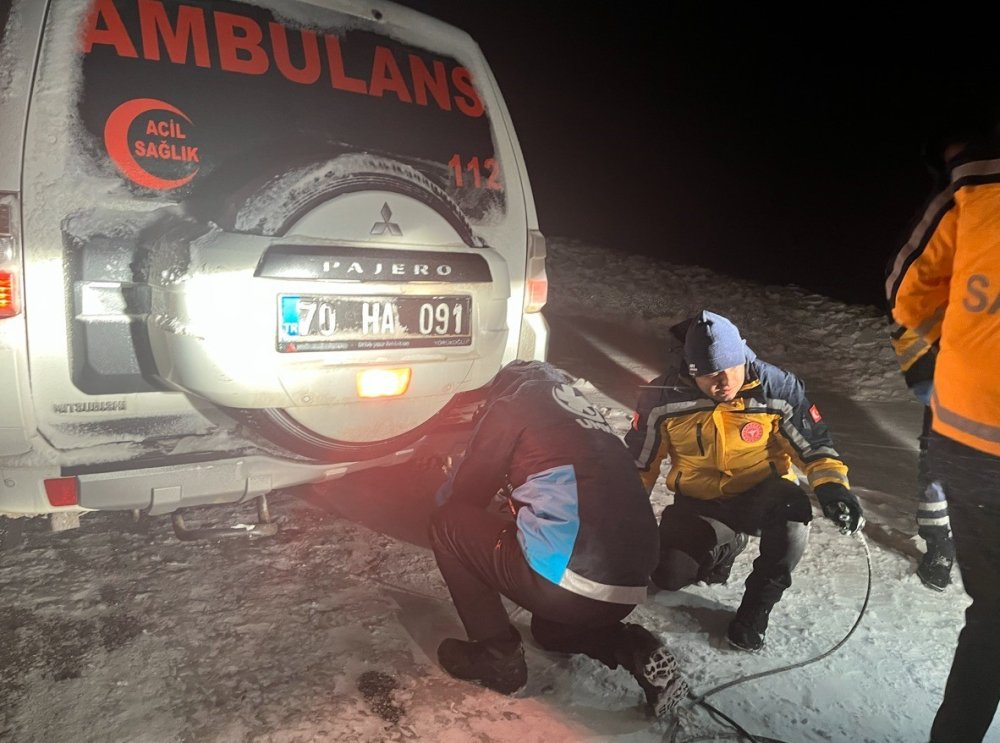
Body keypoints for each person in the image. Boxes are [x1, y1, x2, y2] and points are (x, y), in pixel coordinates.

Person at [429, 360, 689, 717]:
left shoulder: (513, 402)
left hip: (572, 579)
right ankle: (634, 648)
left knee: (447, 525)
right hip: (629, 586)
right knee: (550, 629)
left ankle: (497, 658)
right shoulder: (587, 414)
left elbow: (466, 496)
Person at [625, 310, 864, 652]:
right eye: (710, 374)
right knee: (668, 575)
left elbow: (814, 447)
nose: (723, 381)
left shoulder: (776, 387)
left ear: (743, 355)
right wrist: (623, 517)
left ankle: (755, 611)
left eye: (731, 368)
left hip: (763, 496)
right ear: (691, 370)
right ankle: (726, 544)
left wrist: (833, 488)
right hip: (699, 502)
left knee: (794, 516)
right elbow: (640, 464)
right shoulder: (661, 398)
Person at [886, 114, 1000, 743]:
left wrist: (958, 349)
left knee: (993, 620)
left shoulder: (971, 191)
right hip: (953, 419)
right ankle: (936, 544)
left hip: (969, 432)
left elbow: (907, 295)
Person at [887, 321, 955, 590]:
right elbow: (907, 315)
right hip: (953, 386)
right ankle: (940, 546)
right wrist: (924, 374)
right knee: (939, 469)